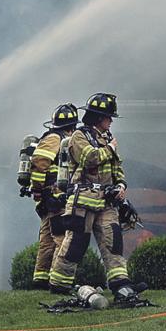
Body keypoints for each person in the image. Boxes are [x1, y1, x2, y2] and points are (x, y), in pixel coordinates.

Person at [48, 93, 144, 302]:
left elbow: (116, 168)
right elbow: (89, 158)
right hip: (83, 202)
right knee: (75, 245)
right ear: (98, 117)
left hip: (107, 203)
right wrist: (109, 149)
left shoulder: (108, 139)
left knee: (113, 242)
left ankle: (121, 286)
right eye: (108, 117)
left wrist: (120, 185)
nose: (110, 122)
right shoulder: (79, 136)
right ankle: (59, 285)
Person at [28, 103, 79, 289]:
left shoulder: (61, 138)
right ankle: (57, 281)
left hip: (52, 197)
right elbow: (40, 162)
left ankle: (41, 279)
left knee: (48, 241)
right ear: (72, 126)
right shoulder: (55, 138)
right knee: (61, 238)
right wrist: (39, 189)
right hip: (55, 198)